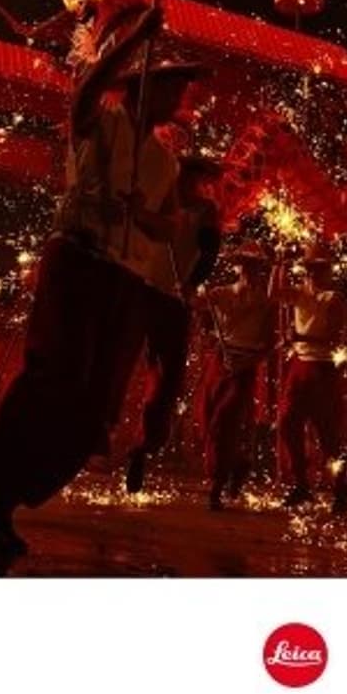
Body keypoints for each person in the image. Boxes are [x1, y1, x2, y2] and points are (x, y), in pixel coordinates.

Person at [0, 3, 205, 557]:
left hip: (125, 280)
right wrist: (135, 38)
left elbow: (167, 222)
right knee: (53, 374)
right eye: (172, 85)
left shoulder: (164, 161)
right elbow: (87, 89)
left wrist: (143, 216)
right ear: (142, 87)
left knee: (98, 406)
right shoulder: (100, 121)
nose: (181, 97)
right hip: (77, 258)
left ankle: (24, 487)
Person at [124, 154, 222, 494]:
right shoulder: (156, 197)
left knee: (167, 376)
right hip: (140, 287)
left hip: (173, 297)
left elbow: (209, 253)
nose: (189, 181)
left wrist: (192, 282)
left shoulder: (205, 211)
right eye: (185, 174)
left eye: (196, 177)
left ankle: (145, 443)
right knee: (120, 357)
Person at [271, 243, 347, 513]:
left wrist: (299, 336)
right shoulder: (299, 294)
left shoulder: (334, 299)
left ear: (327, 272)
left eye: (318, 269)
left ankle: (341, 490)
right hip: (299, 366)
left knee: (327, 433)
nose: (313, 274)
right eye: (309, 269)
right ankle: (301, 484)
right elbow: (274, 294)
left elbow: (333, 337)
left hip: (322, 368)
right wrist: (278, 265)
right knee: (287, 423)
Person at [197, 243, 275, 509]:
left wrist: (246, 364)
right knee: (207, 418)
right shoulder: (220, 294)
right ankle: (239, 462)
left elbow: (268, 345)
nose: (250, 272)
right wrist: (192, 289)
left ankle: (216, 486)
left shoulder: (265, 302)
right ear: (238, 267)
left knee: (225, 422)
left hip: (244, 367)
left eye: (256, 267)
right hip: (220, 361)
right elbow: (195, 306)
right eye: (246, 266)